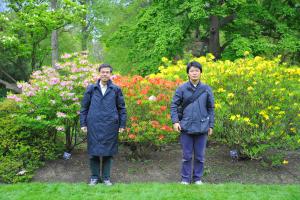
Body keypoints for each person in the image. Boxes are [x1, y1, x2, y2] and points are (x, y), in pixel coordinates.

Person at [80, 63, 127, 186]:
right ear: (99, 73)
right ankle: (94, 177)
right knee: (93, 152)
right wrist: (83, 123)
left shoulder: (116, 89)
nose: (105, 74)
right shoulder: (91, 88)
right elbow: (84, 107)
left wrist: (122, 125)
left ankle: (106, 178)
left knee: (108, 153)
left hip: (110, 126)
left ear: (110, 74)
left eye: (107, 72)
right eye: (102, 72)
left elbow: (121, 108)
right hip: (93, 125)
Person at [170, 61, 215, 185]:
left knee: (200, 157)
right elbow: (174, 105)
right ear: (188, 74)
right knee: (187, 156)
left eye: (197, 71)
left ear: (200, 73)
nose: (194, 73)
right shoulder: (182, 88)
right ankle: (185, 179)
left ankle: (197, 179)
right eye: (192, 71)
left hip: (202, 127)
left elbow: (211, 108)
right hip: (186, 127)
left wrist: (211, 125)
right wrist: (175, 122)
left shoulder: (206, 89)